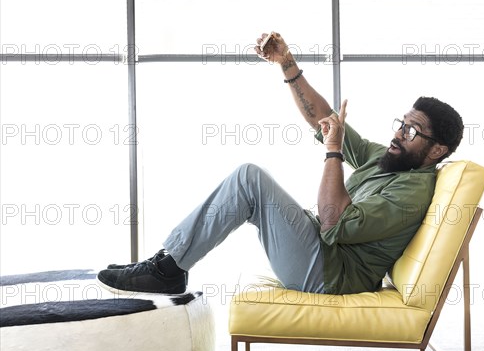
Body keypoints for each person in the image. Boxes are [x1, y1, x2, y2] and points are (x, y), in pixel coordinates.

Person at [97, 32, 464, 296]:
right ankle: (168, 264)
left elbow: (335, 222)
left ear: (436, 150)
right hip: (321, 252)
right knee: (249, 179)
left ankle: (167, 271)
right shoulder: (386, 160)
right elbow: (324, 118)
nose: (399, 134)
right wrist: (287, 63)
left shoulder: (412, 190)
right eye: (401, 123)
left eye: (412, 131)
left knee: (249, 179)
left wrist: (333, 150)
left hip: (330, 275)